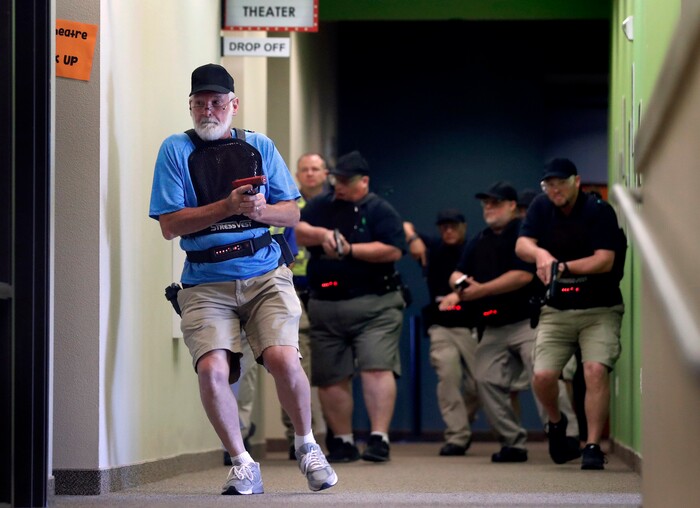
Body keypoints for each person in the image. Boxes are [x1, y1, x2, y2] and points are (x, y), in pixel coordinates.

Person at [148, 63, 337, 494]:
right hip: (205, 281)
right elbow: (170, 225)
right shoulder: (175, 150)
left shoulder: (259, 146)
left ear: (234, 105)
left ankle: (307, 446)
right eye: (199, 103)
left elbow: (291, 212)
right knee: (213, 370)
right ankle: (242, 462)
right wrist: (228, 207)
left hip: (265, 273)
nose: (208, 111)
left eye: (217, 102)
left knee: (282, 359)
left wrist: (259, 212)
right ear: (191, 106)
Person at [441, 181, 579, 464]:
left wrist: (480, 290)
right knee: (484, 378)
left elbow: (522, 277)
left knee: (543, 375)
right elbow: (456, 273)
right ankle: (512, 442)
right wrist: (460, 286)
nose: (489, 208)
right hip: (493, 326)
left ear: (512, 206)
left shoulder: (524, 235)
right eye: (485, 204)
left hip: (528, 322)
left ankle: (567, 436)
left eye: (495, 203)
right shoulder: (479, 240)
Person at [295, 150, 406, 463]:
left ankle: (378, 437)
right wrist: (321, 235)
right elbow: (295, 229)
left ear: (364, 181)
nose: (339, 186)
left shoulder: (380, 209)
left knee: (375, 367)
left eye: (346, 181)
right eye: (336, 180)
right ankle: (342, 440)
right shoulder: (320, 206)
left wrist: (350, 249)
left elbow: (394, 249)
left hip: (375, 304)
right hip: (327, 304)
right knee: (331, 375)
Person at [516, 158, 626, 470]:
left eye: (561, 182)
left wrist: (561, 267)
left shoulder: (598, 210)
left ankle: (591, 444)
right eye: (549, 184)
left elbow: (604, 260)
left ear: (576, 182)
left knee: (593, 370)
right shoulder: (540, 207)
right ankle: (556, 421)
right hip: (557, 309)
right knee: (543, 376)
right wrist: (540, 254)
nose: (555, 189)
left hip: (599, 308)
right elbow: (522, 244)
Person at [403, 210, 480, 456]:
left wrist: (458, 294)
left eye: (453, 226)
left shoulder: (475, 249)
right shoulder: (434, 248)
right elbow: (405, 223)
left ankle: (463, 425)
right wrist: (414, 240)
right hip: (441, 326)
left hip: (471, 325)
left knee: (478, 385)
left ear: (463, 227)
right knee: (448, 375)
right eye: (444, 227)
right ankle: (457, 436)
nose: (448, 231)